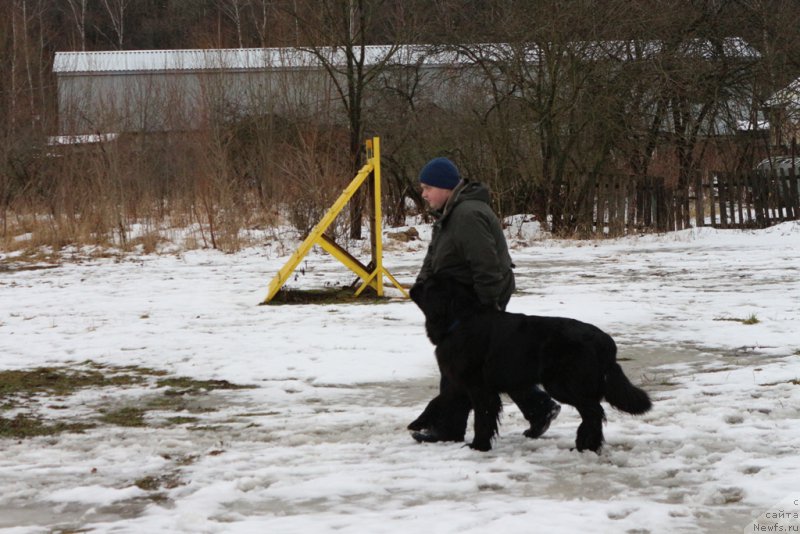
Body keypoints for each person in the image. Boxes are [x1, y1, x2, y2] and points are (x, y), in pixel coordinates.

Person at [408, 156, 561, 443]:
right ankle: (539, 407)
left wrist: (488, 308)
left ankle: (448, 428)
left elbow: (487, 266)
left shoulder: (467, 215)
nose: (424, 194)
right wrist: (422, 285)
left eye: (428, 187)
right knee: (493, 364)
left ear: (444, 187)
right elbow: (435, 257)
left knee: (460, 365)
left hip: (477, 304)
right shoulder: (451, 213)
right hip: (463, 303)